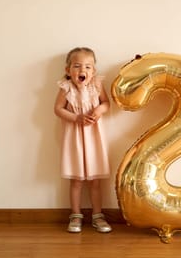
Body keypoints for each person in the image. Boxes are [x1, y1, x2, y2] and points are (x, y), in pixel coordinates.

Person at [54, 47, 112, 233]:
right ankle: (76, 215)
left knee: (95, 180)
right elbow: (58, 109)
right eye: (77, 66)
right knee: (76, 180)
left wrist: (98, 111)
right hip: (75, 138)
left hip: (94, 137)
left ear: (93, 71)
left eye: (88, 67)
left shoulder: (97, 85)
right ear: (68, 70)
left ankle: (97, 215)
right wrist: (75, 118)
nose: (82, 70)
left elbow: (106, 103)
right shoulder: (66, 87)